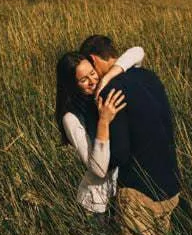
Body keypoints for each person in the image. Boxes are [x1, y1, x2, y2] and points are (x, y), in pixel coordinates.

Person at [81, 34, 181, 235]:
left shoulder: (111, 93)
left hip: (139, 192)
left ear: (94, 60)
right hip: (170, 185)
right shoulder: (149, 76)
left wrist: (101, 125)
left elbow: (119, 154)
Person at [55, 45, 145, 217]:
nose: (92, 81)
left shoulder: (102, 93)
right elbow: (98, 169)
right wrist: (104, 121)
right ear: (72, 86)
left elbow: (138, 52)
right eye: (83, 80)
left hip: (119, 195)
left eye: (92, 73)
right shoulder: (71, 117)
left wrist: (109, 76)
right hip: (95, 205)